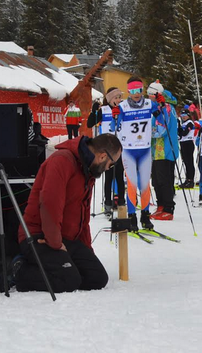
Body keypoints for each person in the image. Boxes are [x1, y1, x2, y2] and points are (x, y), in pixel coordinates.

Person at [13, 133, 122, 293]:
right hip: (39, 236)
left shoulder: (87, 170)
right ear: (102, 156)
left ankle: (57, 266)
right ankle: (19, 270)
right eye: (110, 164)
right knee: (69, 280)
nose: (108, 169)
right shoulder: (62, 161)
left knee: (97, 277)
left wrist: (87, 251)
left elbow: (82, 217)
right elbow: (50, 205)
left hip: (66, 239)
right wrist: (55, 243)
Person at [113, 76, 158, 230]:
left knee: (145, 184)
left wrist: (161, 104)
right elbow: (113, 124)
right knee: (132, 185)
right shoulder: (123, 106)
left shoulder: (148, 104)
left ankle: (145, 216)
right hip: (129, 151)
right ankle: (131, 217)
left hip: (145, 150)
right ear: (128, 91)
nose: (136, 93)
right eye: (132, 90)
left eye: (139, 90)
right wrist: (114, 115)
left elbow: (161, 112)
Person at [148, 81, 179, 221]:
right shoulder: (155, 107)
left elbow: (162, 129)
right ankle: (160, 205)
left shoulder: (167, 107)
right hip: (155, 151)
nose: (149, 98)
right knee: (156, 180)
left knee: (165, 180)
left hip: (166, 150)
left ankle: (168, 207)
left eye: (151, 95)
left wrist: (147, 133)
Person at [102, 88, 125, 216]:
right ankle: (108, 203)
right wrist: (95, 112)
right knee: (109, 178)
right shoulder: (104, 110)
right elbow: (90, 123)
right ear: (110, 99)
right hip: (107, 150)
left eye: (119, 97)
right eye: (115, 98)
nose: (118, 100)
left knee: (119, 176)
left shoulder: (122, 110)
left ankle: (121, 202)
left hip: (120, 149)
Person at [178, 109, 197, 188]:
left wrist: (180, 130)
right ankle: (187, 179)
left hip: (188, 143)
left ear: (188, 115)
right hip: (183, 143)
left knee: (189, 162)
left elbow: (184, 133)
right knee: (185, 162)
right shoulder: (184, 123)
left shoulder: (190, 123)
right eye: (182, 116)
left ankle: (191, 180)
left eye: (185, 115)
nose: (183, 117)